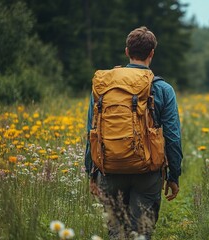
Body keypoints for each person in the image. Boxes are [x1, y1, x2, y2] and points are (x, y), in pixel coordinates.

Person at [84, 26, 183, 239]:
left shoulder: (103, 85)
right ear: (152, 53)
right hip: (147, 171)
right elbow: (173, 136)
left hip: (110, 169)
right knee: (141, 232)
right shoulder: (163, 89)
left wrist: (91, 172)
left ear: (127, 51)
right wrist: (173, 175)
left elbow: (91, 130)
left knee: (116, 232)